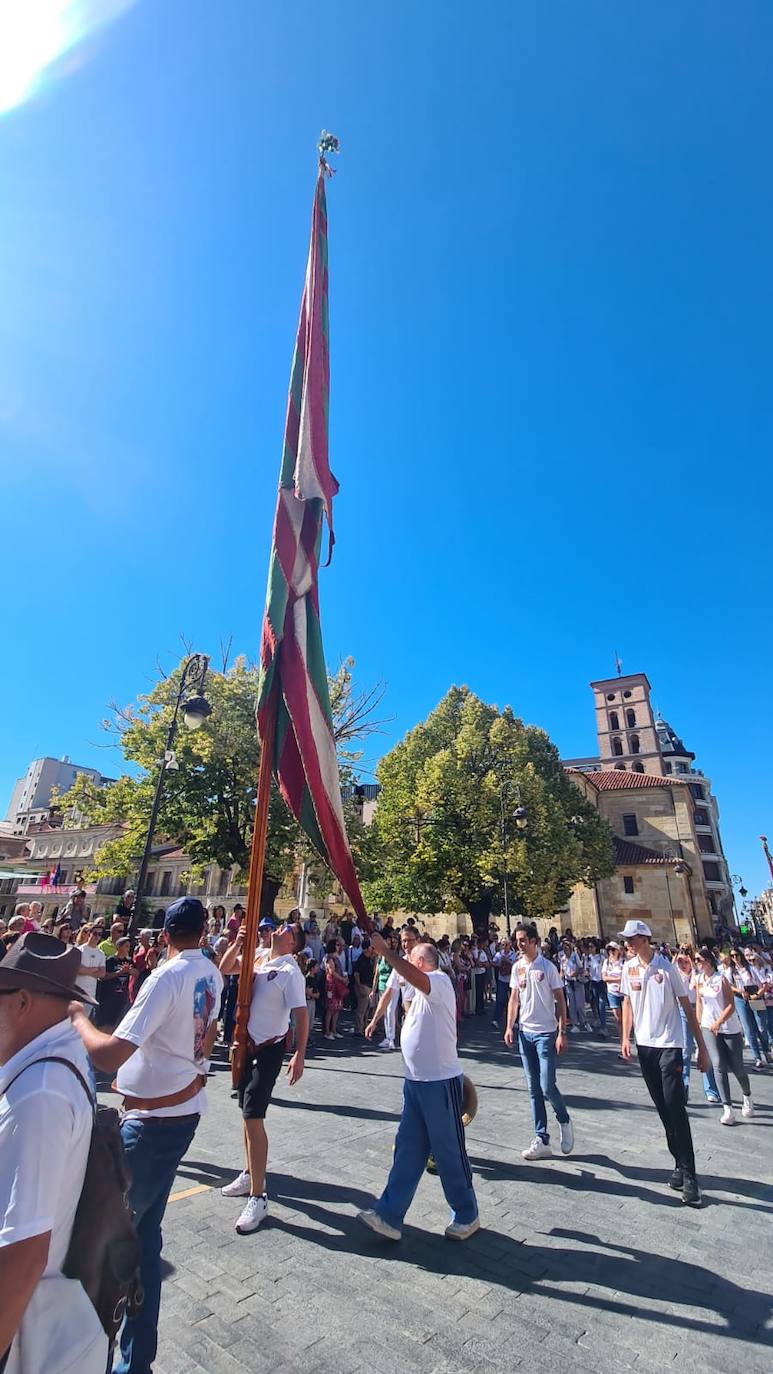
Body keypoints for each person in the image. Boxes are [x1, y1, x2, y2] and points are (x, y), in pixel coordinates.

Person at [70, 896, 222, 1374]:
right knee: (144, 1242)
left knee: (106, 1244)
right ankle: (136, 1362)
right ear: (202, 932)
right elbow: (209, 1036)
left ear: (164, 935)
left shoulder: (167, 977)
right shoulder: (212, 974)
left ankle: (95, 1356)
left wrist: (78, 1019)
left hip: (154, 1123)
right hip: (182, 1109)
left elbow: (109, 1055)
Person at [0, 932, 108, 1373]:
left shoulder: (38, 1094)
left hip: (22, 1327)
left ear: (22, 1001)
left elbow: (23, 1256)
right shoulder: (55, 1057)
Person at [358, 934, 479, 1242]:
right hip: (415, 1083)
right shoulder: (419, 987)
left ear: (422, 963)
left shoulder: (438, 981)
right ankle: (389, 1215)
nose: (406, 965)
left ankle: (467, 1214)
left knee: (449, 1151)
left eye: (411, 959)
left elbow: (412, 975)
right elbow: (399, 988)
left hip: (439, 1083)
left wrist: (387, 953)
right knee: (408, 1151)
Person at [219, 921, 307, 1234]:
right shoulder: (257, 956)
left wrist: (299, 1053)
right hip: (246, 1045)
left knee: (254, 1118)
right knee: (245, 1115)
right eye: (283, 925)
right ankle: (249, 1173)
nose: (282, 928)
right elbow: (226, 968)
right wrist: (238, 943)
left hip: (269, 1049)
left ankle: (259, 1196)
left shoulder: (289, 971)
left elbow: (301, 1013)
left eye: (289, 929)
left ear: (293, 943)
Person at [619, 919, 708, 1207]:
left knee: (674, 1105)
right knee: (662, 1108)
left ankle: (691, 1175)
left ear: (645, 938)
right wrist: (625, 1037)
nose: (628, 943)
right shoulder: (628, 967)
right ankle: (679, 1164)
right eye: (626, 939)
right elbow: (627, 1003)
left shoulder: (666, 968)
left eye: (632, 938)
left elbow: (687, 1008)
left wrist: (702, 1049)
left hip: (670, 1044)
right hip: (645, 1046)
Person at [505, 922, 573, 1160]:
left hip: (546, 1033)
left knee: (546, 1085)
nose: (519, 944)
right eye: (517, 940)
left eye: (523, 939)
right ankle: (541, 1137)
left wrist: (562, 1031)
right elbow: (514, 998)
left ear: (534, 941)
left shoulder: (548, 967)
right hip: (525, 1032)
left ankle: (563, 1119)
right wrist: (509, 1026)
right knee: (533, 1089)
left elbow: (561, 999)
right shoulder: (517, 968)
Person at [694, 946, 753, 1125]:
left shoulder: (722, 979)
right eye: (695, 960)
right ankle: (727, 1108)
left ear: (709, 961)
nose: (696, 963)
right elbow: (699, 1002)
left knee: (737, 1067)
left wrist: (718, 1022)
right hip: (708, 1027)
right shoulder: (698, 979)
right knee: (718, 1064)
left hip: (728, 1027)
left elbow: (730, 1005)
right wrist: (700, 1024)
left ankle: (747, 1096)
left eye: (699, 960)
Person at [673, 946, 721, 1105]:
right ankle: (684, 1086)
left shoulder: (698, 976)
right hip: (683, 1012)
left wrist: (693, 969)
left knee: (703, 1049)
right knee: (686, 1050)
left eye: (685, 960)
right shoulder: (675, 975)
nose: (682, 963)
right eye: (679, 961)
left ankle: (710, 1089)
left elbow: (695, 988)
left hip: (700, 1012)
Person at [366, 926, 420, 1046]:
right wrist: (374, 1021)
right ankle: (390, 1037)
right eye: (403, 941)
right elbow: (387, 993)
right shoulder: (401, 963)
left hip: (425, 1017)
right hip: (409, 1015)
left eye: (410, 940)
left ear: (418, 940)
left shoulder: (426, 961)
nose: (406, 944)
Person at [74, 922, 107, 1016]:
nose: (97, 936)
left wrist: (86, 970)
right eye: (95, 933)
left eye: (100, 934)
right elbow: (78, 969)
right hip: (77, 992)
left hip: (90, 994)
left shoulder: (101, 954)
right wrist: (95, 969)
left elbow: (102, 974)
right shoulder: (79, 950)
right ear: (89, 934)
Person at [353, 938, 376, 1035]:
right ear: (366, 948)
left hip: (370, 985)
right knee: (361, 1009)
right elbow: (356, 974)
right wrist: (359, 987)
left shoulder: (371, 959)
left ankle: (364, 1027)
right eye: (371, 947)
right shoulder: (361, 959)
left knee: (367, 1010)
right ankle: (358, 1029)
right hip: (363, 985)